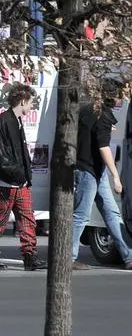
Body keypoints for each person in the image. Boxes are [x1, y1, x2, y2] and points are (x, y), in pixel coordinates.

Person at [0, 83, 46, 271]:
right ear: (23, 101)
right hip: (6, 181)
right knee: (0, 218)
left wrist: (24, 176)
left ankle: (30, 255)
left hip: (19, 180)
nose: (31, 107)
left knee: (27, 217)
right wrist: (18, 174)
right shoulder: (4, 121)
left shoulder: (15, 121)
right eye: (30, 103)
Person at [70, 80, 132, 270]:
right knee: (81, 216)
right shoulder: (103, 116)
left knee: (111, 212)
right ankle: (67, 258)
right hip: (89, 170)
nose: (123, 99)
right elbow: (103, 147)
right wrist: (115, 176)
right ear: (112, 96)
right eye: (121, 95)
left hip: (92, 170)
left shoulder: (90, 111)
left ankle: (128, 256)